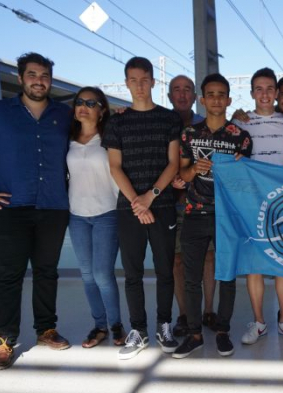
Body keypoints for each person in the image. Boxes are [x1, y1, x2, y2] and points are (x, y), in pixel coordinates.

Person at [0, 52, 71, 370]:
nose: (40, 80)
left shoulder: (64, 115)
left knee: (47, 272)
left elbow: (92, 133)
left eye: (45, 75)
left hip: (53, 206)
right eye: (33, 74)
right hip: (10, 206)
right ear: (21, 78)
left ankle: (46, 330)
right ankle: (5, 340)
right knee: (9, 275)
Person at [103, 56, 181, 360]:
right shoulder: (117, 121)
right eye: (133, 80)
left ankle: (164, 325)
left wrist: (151, 196)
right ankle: (138, 330)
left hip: (162, 206)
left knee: (164, 270)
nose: (139, 85)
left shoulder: (169, 119)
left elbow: (173, 162)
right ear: (126, 83)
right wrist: (138, 202)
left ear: (153, 81)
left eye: (144, 79)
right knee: (132, 272)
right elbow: (115, 166)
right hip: (128, 209)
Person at [172, 73, 253, 359]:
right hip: (195, 213)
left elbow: (246, 185)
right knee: (192, 277)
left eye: (222, 94)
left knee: (227, 276)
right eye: (211, 94)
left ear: (229, 100)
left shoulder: (241, 138)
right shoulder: (189, 134)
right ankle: (194, 334)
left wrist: (242, 168)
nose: (217, 99)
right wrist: (193, 170)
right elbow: (180, 173)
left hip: (227, 216)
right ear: (202, 99)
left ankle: (222, 331)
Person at [232, 67, 283, 345]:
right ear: (251, 93)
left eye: (269, 89)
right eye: (258, 89)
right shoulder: (239, 123)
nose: (264, 94)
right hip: (251, 203)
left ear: (275, 93)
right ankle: (259, 322)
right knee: (254, 265)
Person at [67, 87, 126, 348]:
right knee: (87, 275)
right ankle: (99, 325)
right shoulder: (66, 137)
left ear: (102, 109)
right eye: (80, 102)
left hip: (107, 213)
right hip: (77, 215)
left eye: (91, 103)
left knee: (102, 274)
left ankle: (116, 325)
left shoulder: (110, 136)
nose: (84, 106)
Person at [167, 74, 218, 337]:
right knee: (177, 262)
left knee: (209, 258)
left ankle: (208, 311)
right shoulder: (161, 123)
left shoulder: (205, 125)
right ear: (169, 96)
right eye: (177, 89)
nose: (183, 94)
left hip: (202, 204)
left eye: (187, 89)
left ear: (195, 96)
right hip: (170, 204)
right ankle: (185, 315)